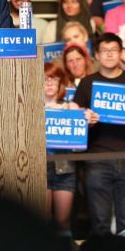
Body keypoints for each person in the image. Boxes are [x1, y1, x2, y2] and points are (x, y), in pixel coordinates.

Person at [74, 34, 125, 236]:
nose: (109, 54)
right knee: (99, 223)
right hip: (97, 159)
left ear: (120, 53)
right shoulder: (86, 83)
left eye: (114, 50)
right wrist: (85, 121)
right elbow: (75, 123)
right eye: (104, 51)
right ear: (97, 55)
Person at [43, 62, 78, 232]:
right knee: (42, 221)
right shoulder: (28, 107)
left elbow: (80, 140)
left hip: (65, 168)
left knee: (63, 221)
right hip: (38, 169)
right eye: (45, 79)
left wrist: (87, 119)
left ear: (60, 83)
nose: (49, 83)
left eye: (54, 79)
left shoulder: (71, 107)